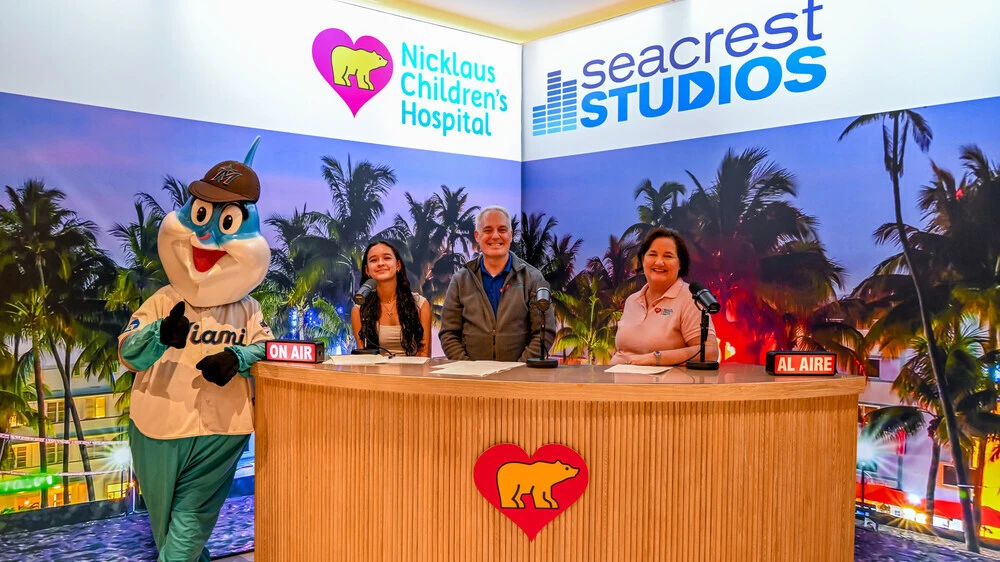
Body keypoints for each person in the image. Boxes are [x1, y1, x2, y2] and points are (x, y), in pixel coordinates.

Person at [119, 141, 273, 562]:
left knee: (186, 535)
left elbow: (269, 351)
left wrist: (237, 359)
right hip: (157, 427)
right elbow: (128, 355)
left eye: (226, 221)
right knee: (169, 531)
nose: (207, 235)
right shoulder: (162, 300)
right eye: (201, 216)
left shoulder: (248, 309)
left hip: (221, 432)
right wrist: (157, 336)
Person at [440, 205, 555, 361]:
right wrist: (467, 368)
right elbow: (449, 333)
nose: (495, 236)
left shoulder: (533, 278)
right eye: (487, 230)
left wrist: (517, 370)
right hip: (472, 379)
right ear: (477, 235)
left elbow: (544, 332)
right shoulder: (460, 280)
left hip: (518, 379)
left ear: (510, 235)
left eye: (502, 230)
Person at [611, 228, 719, 366]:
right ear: (643, 259)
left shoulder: (690, 299)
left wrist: (656, 358)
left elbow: (709, 352)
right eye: (652, 254)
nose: (659, 262)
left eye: (668, 256)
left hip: (661, 386)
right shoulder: (632, 300)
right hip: (616, 382)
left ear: (680, 263)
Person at [351, 240, 432, 356]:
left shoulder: (420, 305)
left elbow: (424, 355)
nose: (380, 263)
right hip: (375, 373)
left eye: (387, 258)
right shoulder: (359, 311)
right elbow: (364, 358)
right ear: (367, 270)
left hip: (413, 372)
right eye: (373, 260)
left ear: (398, 265)